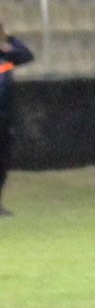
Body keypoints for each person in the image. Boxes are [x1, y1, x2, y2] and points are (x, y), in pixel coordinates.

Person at [0, 18, 29, 215]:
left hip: (4, 118)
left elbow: (27, 55)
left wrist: (10, 38)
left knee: (2, 162)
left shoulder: (6, 57)